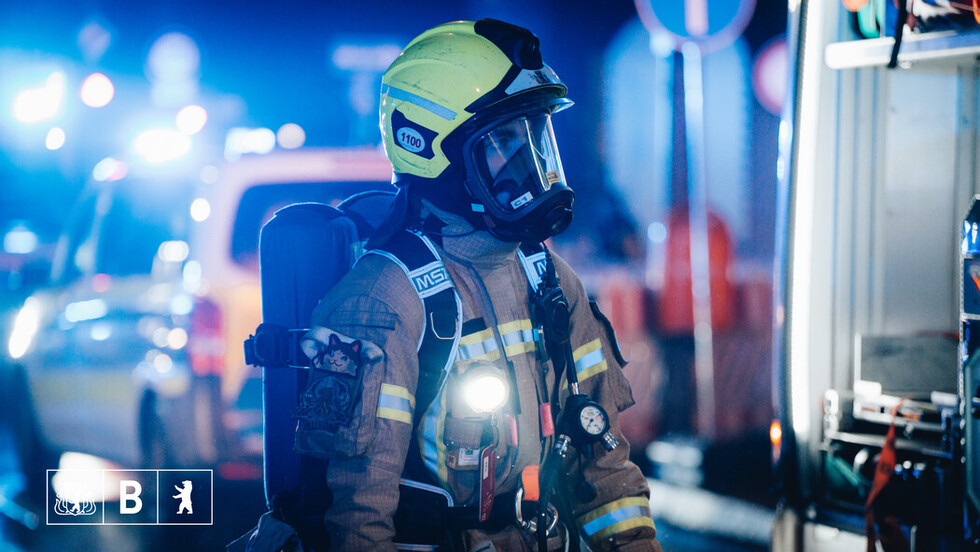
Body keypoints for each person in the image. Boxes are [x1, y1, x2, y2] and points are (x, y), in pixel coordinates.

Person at [296, 19, 662, 551]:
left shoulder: (552, 282)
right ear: (430, 150)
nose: (532, 165)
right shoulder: (382, 302)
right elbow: (358, 518)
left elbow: (604, 470)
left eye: (537, 138)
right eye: (506, 141)